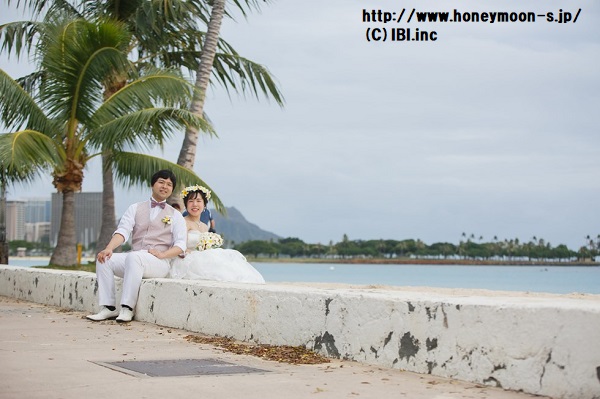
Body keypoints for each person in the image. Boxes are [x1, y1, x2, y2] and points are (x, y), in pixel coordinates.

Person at [87, 170, 187, 323]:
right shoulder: (135, 208)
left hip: (159, 263)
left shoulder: (176, 215)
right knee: (105, 259)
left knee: (134, 257)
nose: (164, 186)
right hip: (135, 257)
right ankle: (108, 307)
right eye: (161, 182)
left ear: (172, 189)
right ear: (152, 184)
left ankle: (127, 308)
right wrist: (109, 248)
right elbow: (122, 231)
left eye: (169, 184)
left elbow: (181, 245)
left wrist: (163, 255)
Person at [170, 185, 265, 284]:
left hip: (201, 258)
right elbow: (179, 246)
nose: (194, 204)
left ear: (204, 205)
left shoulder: (204, 226)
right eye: (190, 201)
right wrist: (197, 255)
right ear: (186, 205)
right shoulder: (183, 222)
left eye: (198, 201)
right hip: (187, 259)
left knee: (229, 263)